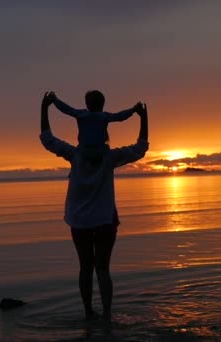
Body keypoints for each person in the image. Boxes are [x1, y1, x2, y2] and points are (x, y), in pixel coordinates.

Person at [40, 91, 149, 321]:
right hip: (105, 220)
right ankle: (107, 315)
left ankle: (89, 313)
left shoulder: (74, 155)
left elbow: (47, 138)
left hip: (79, 220)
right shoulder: (109, 157)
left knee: (85, 269)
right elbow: (140, 148)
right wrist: (142, 117)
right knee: (102, 270)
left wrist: (45, 107)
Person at [51, 90, 141, 150]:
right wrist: (133, 110)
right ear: (102, 104)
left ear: (87, 104)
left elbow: (66, 109)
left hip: (84, 149)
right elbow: (120, 116)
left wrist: (55, 100)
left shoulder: (82, 114)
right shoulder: (103, 116)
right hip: (100, 149)